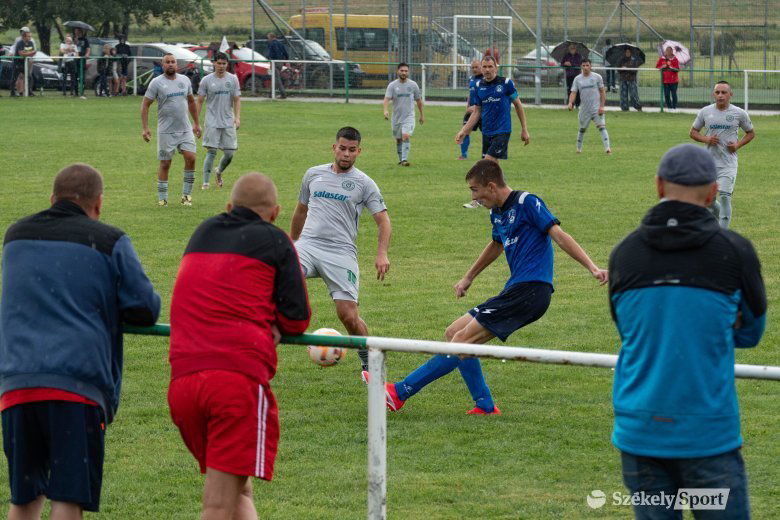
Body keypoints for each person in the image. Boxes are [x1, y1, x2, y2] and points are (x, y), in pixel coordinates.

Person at [608, 143, 766, 519]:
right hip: (708, 435)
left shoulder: (624, 253)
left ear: (659, 186)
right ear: (712, 192)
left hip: (640, 432)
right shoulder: (735, 251)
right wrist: (711, 323)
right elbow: (750, 333)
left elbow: (629, 329)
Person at [375, 159, 608, 414]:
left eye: (475, 190)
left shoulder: (527, 202)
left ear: (491, 186)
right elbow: (496, 245)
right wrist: (468, 277)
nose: (473, 197)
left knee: (462, 341)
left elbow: (560, 236)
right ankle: (484, 404)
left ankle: (400, 392)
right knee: (454, 332)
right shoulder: (496, 213)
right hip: (516, 289)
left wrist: (593, 268)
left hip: (531, 291)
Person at [0, 163, 161, 518]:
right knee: (68, 498)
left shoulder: (15, 237)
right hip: (75, 388)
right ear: (98, 203)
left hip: (17, 386)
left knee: (24, 498)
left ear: (52, 199)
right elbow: (145, 308)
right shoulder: (109, 240)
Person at [168, 172, 310, 520]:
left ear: (229, 207)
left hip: (183, 385)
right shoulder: (276, 240)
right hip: (234, 382)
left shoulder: (202, 231)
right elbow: (297, 318)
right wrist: (272, 322)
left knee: (238, 490)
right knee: (217, 504)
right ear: (276, 213)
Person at [290, 127, 391, 373]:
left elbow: (383, 221)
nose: (346, 154)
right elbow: (301, 211)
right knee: (283, 276)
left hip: (340, 253)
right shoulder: (313, 174)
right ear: (334, 147)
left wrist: (382, 253)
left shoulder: (364, 183)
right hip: (308, 245)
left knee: (348, 316)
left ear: (359, 151)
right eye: (342, 148)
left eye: (352, 150)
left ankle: (369, 360)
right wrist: (291, 244)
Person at [456, 55, 530, 208]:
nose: (487, 70)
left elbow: (518, 105)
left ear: (496, 68)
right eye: (484, 67)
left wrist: (524, 129)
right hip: (487, 132)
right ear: (481, 68)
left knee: (484, 164)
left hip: (502, 131)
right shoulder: (478, 86)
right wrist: (464, 130)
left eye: (490, 67)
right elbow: (476, 112)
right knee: (494, 168)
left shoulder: (506, 83)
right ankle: (508, 198)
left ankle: (477, 200)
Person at [690, 81, 755, 229]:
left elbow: (751, 133)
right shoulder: (705, 112)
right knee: (709, 201)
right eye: (717, 92)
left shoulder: (739, 113)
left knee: (725, 197)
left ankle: (722, 234)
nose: (720, 95)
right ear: (713, 94)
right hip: (708, 164)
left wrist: (737, 145)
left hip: (728, 164)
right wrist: (706, 139)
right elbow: (693, 132)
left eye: (724, 92)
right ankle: (719, 225)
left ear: (730, 94)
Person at [141, 52, 202, 207]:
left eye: (172, 61)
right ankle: (163, 199)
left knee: (191, 158)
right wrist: (145, 128)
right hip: (165, 131)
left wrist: (196, 123)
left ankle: (186, 196)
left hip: (185, 129)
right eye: (167, 62)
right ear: (163, 65)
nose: (170, 64)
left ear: (176, 64)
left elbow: (191, 102)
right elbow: (145, 105)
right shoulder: (156, 83)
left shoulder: (185, 80)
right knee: (165, 164)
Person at [197, 51, 241, 190]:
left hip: (228, 121)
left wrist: (237, 117)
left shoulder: (233, 79)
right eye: (219, 63)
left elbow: (236, 99)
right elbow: (199, 101)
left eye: (224, 63)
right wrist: (196, 122)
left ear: (227, 64)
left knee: (229, 153)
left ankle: (219, 171)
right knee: (211, 151)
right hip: (212, 121)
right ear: (214, 63)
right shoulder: (206, 80)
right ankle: (205, 183)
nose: (221, 66)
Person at [383, 62, 424, 167]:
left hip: (409, 116)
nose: (404, 73)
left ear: (408, 72)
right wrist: (385, 110)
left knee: (405, 136)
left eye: (406, 71)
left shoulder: (413, 85)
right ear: (398, 71)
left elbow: (419, 101)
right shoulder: (392, 85)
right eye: (402, 70)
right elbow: (387, 99)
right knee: (398, 139)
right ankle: (401, 160)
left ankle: (404, 160)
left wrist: (421, 115)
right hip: (396, 117)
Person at [568, 59, 611, 155]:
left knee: (602, 127)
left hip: (596, 108)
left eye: (587, 65)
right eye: (583, 65)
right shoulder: (577, 79)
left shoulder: (597, 77)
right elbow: (573, 92)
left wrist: (602, 106)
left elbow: (602, 91)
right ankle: (578, 149)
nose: (585, 67)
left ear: (590, 66)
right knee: (582, 129)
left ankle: (607, 149)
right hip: (584, 109)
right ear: (581, 67)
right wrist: (570, 102)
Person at [458, 59, 482, 161]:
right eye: (473, 67)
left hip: (482, 111)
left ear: (481, 67)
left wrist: (477, 107)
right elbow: (470, 94)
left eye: (477, 67)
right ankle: (463, 155)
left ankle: (487, 155)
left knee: (487, 134)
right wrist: (467, 107)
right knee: (465, 131)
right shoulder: (471, 79)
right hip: (471, 111)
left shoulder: (485, 80)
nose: (474, 69)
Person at [12, 28, 36, 97]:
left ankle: (29, 92)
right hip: (17, 62)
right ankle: (13, 92)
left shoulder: (31, 43)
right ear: (24, 37)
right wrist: (29, 53)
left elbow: (34, 53)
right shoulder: (19, 43)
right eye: (29, 36)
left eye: (30, 36)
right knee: (15, 78)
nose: (30, 38)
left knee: (29, 77)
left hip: (25, 63)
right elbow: (21, 54)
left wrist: (26, 53)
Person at [618, 47, 642, 112]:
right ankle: (624, 108)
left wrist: (627, 68)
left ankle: (638, 107)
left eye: (629, 52)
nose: (627, 53)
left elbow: (635, 70)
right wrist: (621, 69)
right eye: (626, 52)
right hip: (623, 79)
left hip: (632, 80)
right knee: (623, 95)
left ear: (631, 53)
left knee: (633, 94)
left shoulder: (634, 60)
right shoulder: (621, 60)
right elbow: (618, 70)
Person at [656, 46, 680, 111]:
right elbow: (657, 67)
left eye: (670, 51)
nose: (668, 52)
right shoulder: (662, 59)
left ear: (672, 51)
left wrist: (671, 68)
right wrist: (662, 67)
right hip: (665, 81)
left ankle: (674, 108)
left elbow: (677, 69)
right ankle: (669, 108)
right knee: (666, 95)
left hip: (674, 81)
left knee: (674, 94)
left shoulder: (675, 59)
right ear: (665, 51)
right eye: (667, 51)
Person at [266, 33, 288, 99]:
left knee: (277, 79)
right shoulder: (280, 44)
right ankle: (270, 94)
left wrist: (270, 62)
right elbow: (286, 53)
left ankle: (283, 94)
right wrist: (285, 61)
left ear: (271, 37)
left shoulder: (272, 44)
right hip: (280, 62)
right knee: (275, 78)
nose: (268, 39)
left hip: (274, 62)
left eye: (268, 38)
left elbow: (271, 55)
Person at [561, 43, 582, 107]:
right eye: (571, 48)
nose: (572, 49)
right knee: (570, 89)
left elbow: (579, 64)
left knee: (577, 90)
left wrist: (571, 64)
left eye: (573, 48)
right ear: (569, 49)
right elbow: (562, 64)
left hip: (577, 75)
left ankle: (577, 104)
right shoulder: (566, 56)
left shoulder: (579, 56)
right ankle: (571, 104)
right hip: (569, 75)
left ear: (575, 49)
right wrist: (565, 64)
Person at [74, 27, 90, 98]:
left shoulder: (85, 40)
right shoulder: (74, 39)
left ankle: (82, 92)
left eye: (77, 31)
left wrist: (87, 54)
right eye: (75, 31)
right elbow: (72, 47)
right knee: (75, 75)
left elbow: (88, 48)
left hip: (82, 59)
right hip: (76, 59)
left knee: (82, 76)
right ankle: (76, 92)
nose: (76, 32)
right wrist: (75, 41)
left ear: (80, 32)